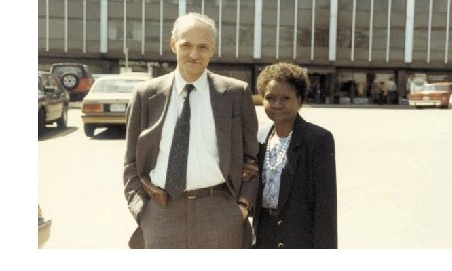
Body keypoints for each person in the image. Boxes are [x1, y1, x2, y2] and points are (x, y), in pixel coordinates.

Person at [123, 13, 259, 248]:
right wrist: (142, 211)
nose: (194, 54)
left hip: (220, 214)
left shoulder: (236, 93)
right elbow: (131, 163)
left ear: (212, 50)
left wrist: (242, 207)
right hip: (161, 214)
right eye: (186, 45)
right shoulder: (145, 95)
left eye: (203, 47)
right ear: (173, 44)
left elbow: (252, 158)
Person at [253, 63, 337, 249]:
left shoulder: (318, 139)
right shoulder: (259, 137)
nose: (277, 104)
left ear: (300, 100)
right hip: (263, 236)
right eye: (270, 98)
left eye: (285, 98)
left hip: (299, 237)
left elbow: (326, 207)